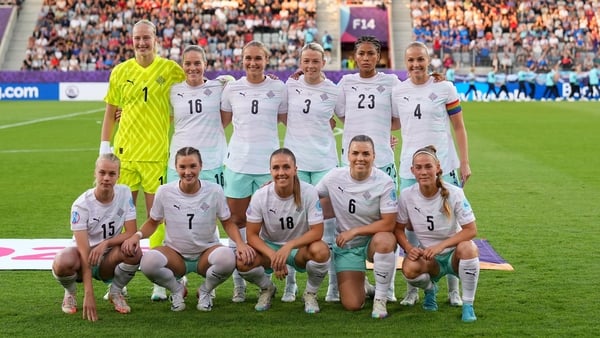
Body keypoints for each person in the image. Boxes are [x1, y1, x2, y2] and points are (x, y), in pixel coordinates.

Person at [100, 19, 186, 301]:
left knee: (157, 218)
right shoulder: (121, 71)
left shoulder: (171, 70)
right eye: (137, 38)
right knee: (120, 218)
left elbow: (191, 96)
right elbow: (110, 110)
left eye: (146, 38)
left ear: (155, 39)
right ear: (131, 39)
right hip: (125, 155)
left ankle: (161, 278)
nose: (141, 43)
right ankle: (117, 277)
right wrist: (104, 148)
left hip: (156, 155)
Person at [121, 147, 255, 312]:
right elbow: (153, 221)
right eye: (182, 167)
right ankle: (177, 290)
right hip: (175, 254)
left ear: (200, 166)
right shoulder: (164, 191)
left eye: (192, 166)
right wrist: (137, 235)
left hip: (206, 253)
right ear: (176, 168)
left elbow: (227, 222)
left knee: (228, 258)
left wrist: (240, 243)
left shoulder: (214, 190)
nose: (188, 172)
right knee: (148, 262)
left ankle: (205, 291)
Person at [391, 41, 470, 308]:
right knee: (411, 227)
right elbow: (390, 121)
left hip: (443, 167)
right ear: (405, 63)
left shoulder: (444, 87)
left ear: (429, 60)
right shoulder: (398, 90)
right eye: (410, 60)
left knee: (451, 224)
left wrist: (464, 162)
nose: (415, 65)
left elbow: (459, 127)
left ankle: (453, 289)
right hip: (409, 168)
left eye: (420, 60)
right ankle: (415, 288)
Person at [334, 35, 401, 302]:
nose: (365, 58)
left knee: (388, 222)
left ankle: (390, 286)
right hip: (350, 163)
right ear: (354, 56)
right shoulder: (346, 83)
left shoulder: (392, 82)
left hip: (382, 161)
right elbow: (341, 114)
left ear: (378, 57)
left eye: (370, 54)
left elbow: (397, 118)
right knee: (343, 220)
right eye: (360, 53)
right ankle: (337, 281)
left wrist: (383, 133)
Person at [220, 40, 288, 303]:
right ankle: (240, 284)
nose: (253, 63)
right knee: (236, 223)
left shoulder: (278, 87)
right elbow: (220, 124)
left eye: (258, 58)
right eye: (248, 58)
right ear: (242, 60)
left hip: (269, 169)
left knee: (271, 226)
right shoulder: (232, 89)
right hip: (237, 165)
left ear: (266, 60)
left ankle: (285, 282)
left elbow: (290, 120)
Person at [236, 148, 331, 313]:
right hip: (269, 248)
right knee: (243, 260)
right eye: (276, 168)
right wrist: (274, 256)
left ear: (295, 169)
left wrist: (288, 246)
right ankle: (267, 289)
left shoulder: (308, 192)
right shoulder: (260, 195)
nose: (281, 172)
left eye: (286, 167)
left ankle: (310, 293)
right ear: (270, 171)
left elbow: (317, 231)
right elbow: (251, 235)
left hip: (298, 249)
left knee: (321, 250)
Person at [315, 135, 398, 319]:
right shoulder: (334, 177)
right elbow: (309, 195)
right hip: (348, 248)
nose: (360, 158)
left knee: (385, 240)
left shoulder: (384, 182)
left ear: (374, 156)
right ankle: (365, 287)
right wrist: (274, 188)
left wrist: (355, 231)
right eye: (356, 153)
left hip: (372, 242)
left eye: (366, 154)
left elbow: (389, 222)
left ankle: (380, 299)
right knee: (352, 304)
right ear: (347, 156)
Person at [283, 42, 341, 303]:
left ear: (323, 62)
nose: (310, 66)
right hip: (296, 164)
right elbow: (283, 114)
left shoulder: (333, 91)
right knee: (293, 224)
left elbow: (347, 120)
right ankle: (290, 285)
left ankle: (331, 287)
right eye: (305, 61)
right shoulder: (290, 86)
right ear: (300, 62)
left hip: (325, 165)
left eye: (315, 61)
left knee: (328, 227)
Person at [395, 145, 480, 323]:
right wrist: (409, 248)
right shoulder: (406, 195)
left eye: (428, 166)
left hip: (454, 256)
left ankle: (468, 305)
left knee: (469, 248)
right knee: (409, 268)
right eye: (418, 168)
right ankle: (430, 290)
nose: (423, 171)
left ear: (438, 168)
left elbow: (471, 230)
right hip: (429, 259)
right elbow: (398, 229)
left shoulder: (455, 193)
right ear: (412, 171)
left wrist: (441, 246)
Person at [52, 154, 141, 321]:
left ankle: (115, 292)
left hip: (107, 258)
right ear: (95, 173)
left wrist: (105, 243)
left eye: (112, 174)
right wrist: (89, 293)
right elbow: (84, 253)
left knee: (134, 250)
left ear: (118, 175)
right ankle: (70, 292)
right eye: (102, 173)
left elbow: (131, 232)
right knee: (62, 261)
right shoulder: (81, 205)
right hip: (83, 259)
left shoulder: (125, 193)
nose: (106, 178)